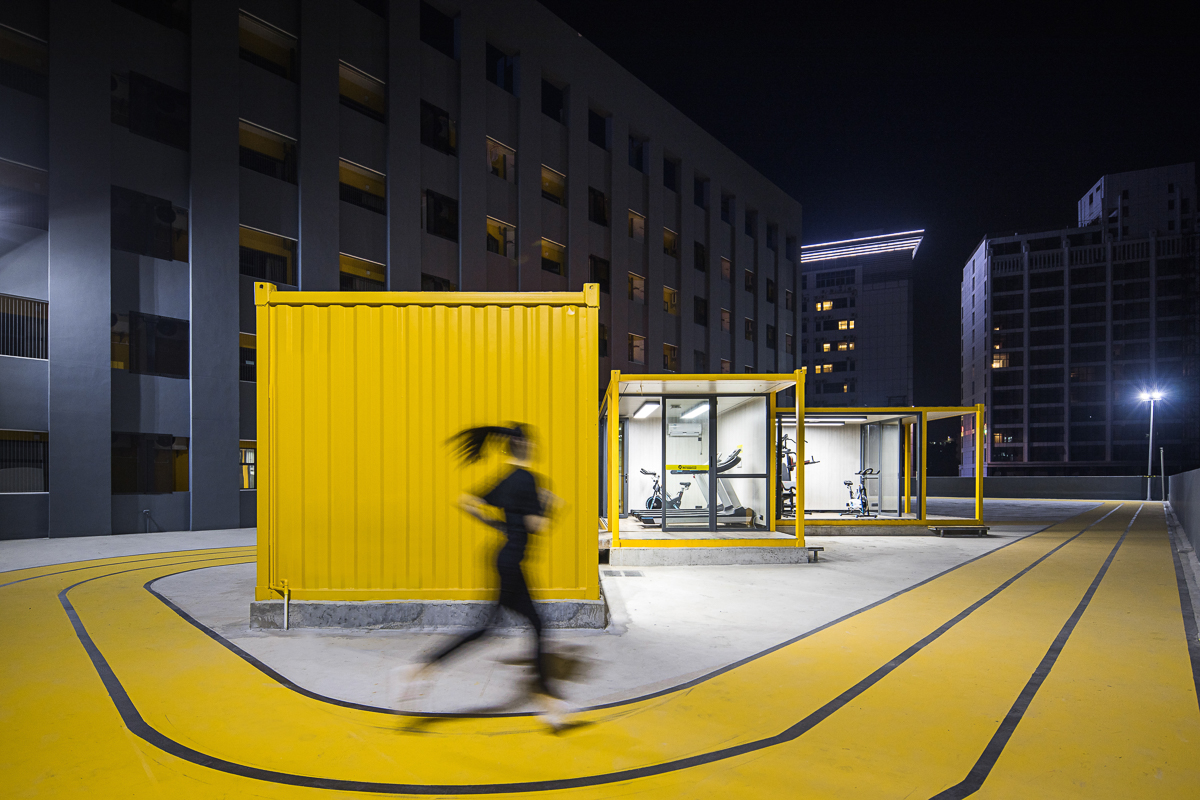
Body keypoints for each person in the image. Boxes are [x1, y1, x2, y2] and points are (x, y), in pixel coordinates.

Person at [391, 424, 570, 727]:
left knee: (511, 626)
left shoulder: (507, 479)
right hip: (512, 562)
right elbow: (536, 526)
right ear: (527, 447)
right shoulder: (529, 481)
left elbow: (466, 501)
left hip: (503, 558)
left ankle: (422, 668)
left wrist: (498, 526)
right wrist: (551, 505)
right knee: (529, 625)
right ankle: (548, 702)